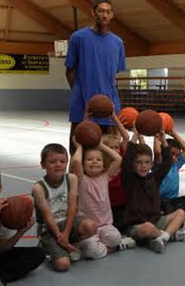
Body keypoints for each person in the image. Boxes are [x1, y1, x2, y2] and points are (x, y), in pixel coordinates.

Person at [65, 0, 126, 154]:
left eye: (108, 11)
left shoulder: (118, 43)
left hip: (108, 108)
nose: (104, 15)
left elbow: (112, 75)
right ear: (93, 13)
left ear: (112, 15)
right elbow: (70, 71)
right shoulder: (78, 38)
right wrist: (79, 93)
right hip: (82, 107)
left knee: (108, 157)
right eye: (101, 11)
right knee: (77, 153)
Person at [32, 144, 97, 272]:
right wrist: (59, 236)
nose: (58, 164)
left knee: (91, 226)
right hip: (49, 229)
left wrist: (66, 234)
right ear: (43, 164)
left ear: (67, 163)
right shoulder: (38, 188)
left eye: (62, 161)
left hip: (68, 223)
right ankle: (49, 247)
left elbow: (73, 207)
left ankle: (69, 244)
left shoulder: (72, 179)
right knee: (63, 265)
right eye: (52, 161)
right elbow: (47, 216)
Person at [121, 128, 185, 254]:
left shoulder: (154, 178)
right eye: (139, 162)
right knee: (147, 228)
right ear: (133, 164)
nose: (143, 166)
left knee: (181, 213)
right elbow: (126, 161)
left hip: (156, 220)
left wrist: (163, 140)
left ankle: (162, 238)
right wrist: (135, 135)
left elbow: (167, 163)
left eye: (146, 162)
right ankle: (169, 235)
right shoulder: (129, 179)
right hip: (137, 226)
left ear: (151, 164)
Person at [71, 132, 135, 259]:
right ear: (84, 164)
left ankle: (112, 246)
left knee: (115, 237)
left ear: (104, 164)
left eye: (98, 160)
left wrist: (100, 145)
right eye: (89, 159)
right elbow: (76, 162)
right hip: (89, 228)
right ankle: (109, 247)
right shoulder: (81, 179)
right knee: (93, 253)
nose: (94, 162)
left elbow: (118, 158)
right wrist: (80, 147)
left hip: (105, 225)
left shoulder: (105, 176)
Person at [153, 129, 185, 215]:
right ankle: (176, 211)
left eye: (177, 155)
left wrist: (174, 134)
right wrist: (157, 135)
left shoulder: (176, 164)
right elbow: (157, 152)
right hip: (159, 200)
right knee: (161, 203)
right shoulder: (160, 164)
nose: (175, 158)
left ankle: (171, 211)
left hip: (173, 201)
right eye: (172, 153)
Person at [102, 112, 129, 234]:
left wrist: (114, 117)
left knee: (123, 226)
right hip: (106, 205)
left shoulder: (121, 156)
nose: (115, 150)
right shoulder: (101, 163)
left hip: (122, 203)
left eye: (116, 147)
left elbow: (126, 137)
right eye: (111, 148)